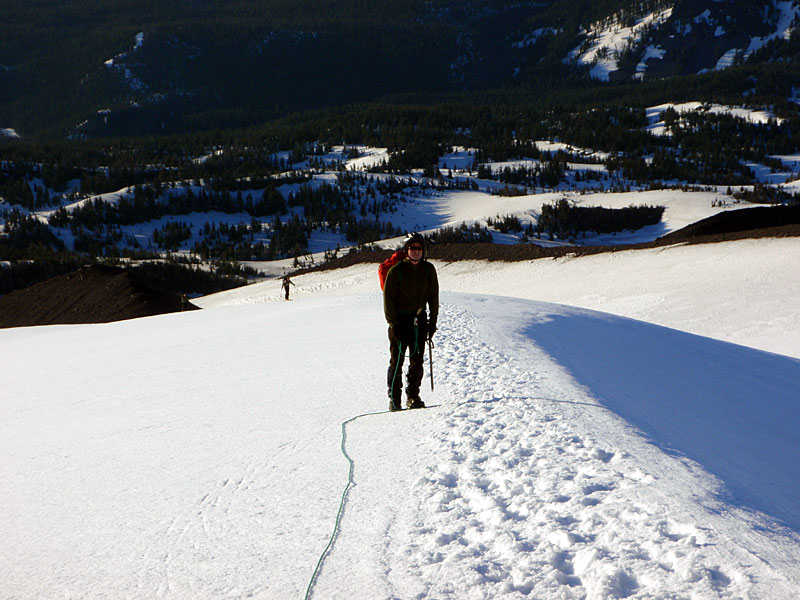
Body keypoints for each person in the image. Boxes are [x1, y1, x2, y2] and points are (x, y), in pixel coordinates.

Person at [383, 232, 439, 411]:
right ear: (406, 250)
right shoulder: (396, 271)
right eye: (412, 248)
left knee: (417, 361)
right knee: (396, 362)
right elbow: (388, 301)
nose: (416, 251)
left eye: (419, 248)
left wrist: (432, 323)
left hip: (419, 322)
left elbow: (433, 297)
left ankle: (413, 397)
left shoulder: (428, 270)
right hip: (400, 322)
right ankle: (395, 400)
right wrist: (393, 324)